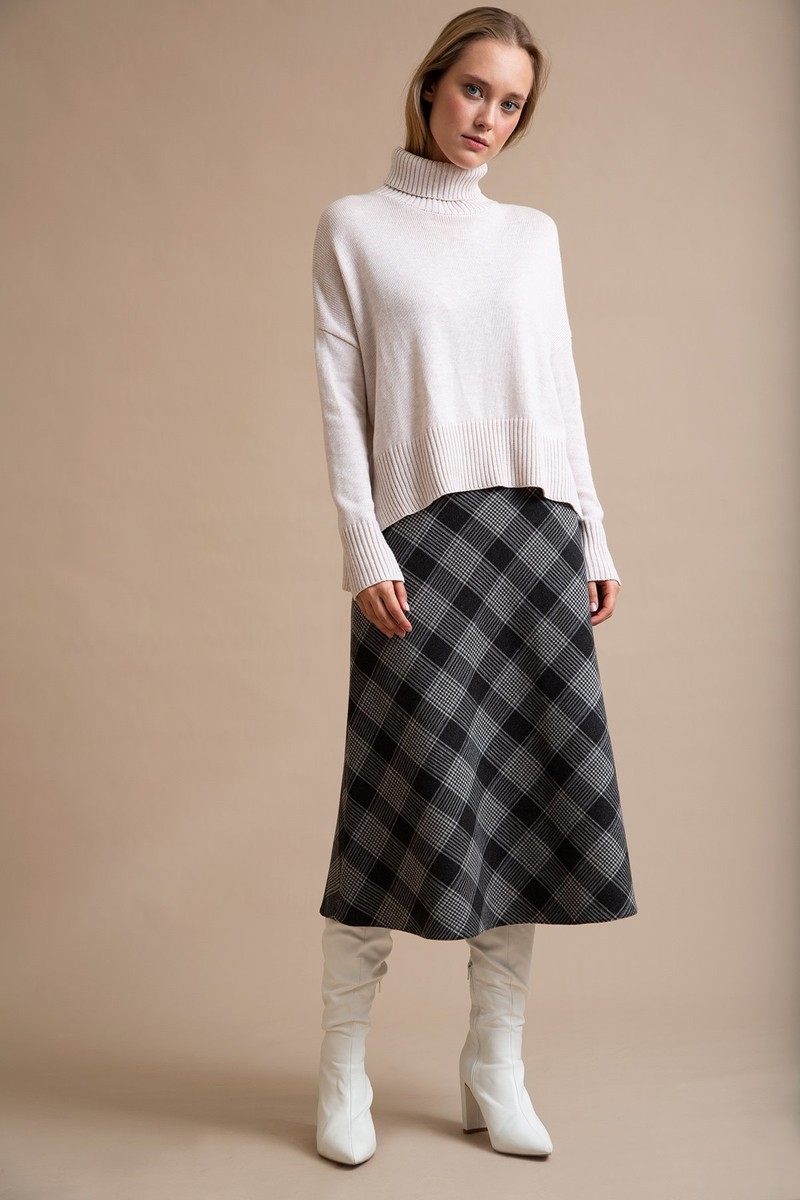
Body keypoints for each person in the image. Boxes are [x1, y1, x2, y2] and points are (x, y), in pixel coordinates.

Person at [310, 5, 638, 1167]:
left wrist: (592, 535)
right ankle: (341, 1068)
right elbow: (339, 398)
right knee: (389, 805)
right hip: (423, 545)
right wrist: (362, 543)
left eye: (510, 104)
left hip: (534, 536)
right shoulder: (353, 227)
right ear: (428, 86)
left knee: (523, 807)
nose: (487, 119)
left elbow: (558, 389)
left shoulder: (531, 237)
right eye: (472, 91)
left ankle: (492, 1067)